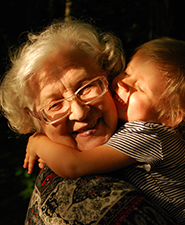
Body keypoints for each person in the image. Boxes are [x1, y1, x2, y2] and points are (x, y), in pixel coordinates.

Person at [25, 37, 185, 224]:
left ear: (170, 116)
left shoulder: (148, 135)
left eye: (141, 88)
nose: (123, 83)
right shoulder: (150, 130)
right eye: (128, 73)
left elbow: (73, 165)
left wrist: (39, 143)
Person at [0, 20, 176, 225]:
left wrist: (40, 143)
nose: (80, 112)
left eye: (85, 88)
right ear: (37, 120)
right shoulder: (80, 200)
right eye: (55, 105)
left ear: (108, 79)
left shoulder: (149, 129)